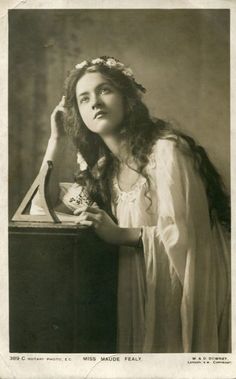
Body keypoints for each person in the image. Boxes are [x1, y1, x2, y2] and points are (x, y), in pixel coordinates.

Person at [30, 56, 231, 353]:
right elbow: (38, 209)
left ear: (127, 98)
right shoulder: (101, 171)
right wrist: (55, 140)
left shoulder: (167, 152)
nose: (95, 102)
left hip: (189, 290)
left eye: (105, 90)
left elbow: (190, 242)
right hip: (140, 289)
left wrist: (121, 235)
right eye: (84, 99)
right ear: (79, 114)